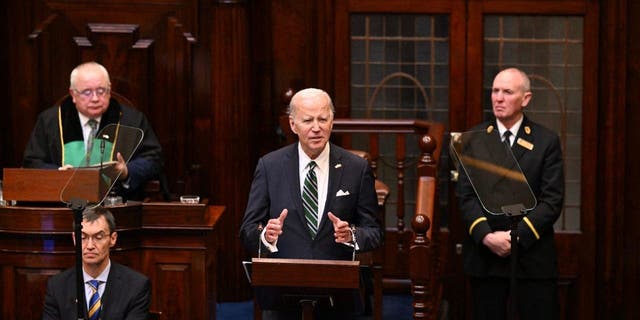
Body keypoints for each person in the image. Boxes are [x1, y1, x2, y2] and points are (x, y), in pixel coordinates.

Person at [239, 88, 383, 319]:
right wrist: (266, 235)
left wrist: (351, 236)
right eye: (308, 120)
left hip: (340, 296)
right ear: (293, 125)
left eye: (323, 119)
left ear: (332, 122)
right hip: (283, 294)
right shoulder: (270, 166)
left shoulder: (356, 168)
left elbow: (375, 232)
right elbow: (247, 231)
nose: (316, 127)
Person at [456, 68, 564, 320]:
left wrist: (516, 237)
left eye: (507, 92)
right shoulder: (473, 140)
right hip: (486, 258)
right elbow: (466, 197)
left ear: (525, 99)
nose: (498, 98)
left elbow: (552, 200)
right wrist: (487, 236)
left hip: (530, 257)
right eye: (495, 91)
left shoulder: (545, 141)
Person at [23, 61, 163, 201]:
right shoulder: (51, 121)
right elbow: (32, 162)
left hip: (116, 206)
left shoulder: (132, 121)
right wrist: (58, 174)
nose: (95, 98)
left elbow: (153, 159)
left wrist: (126, 171)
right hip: (61, 205)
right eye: (87, 92)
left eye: (101, 91)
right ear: (73, 94)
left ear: (109, 90)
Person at [42, 206, 151, 319]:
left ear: (113, 239)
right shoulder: (57, 286)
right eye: (83, 237)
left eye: (98, 237)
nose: (89, 246)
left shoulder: (136, 286)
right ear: (75, 239)